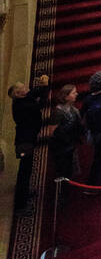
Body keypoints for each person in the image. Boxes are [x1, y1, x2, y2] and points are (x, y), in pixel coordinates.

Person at [9, 74, 49, 211]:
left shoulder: (24, 97)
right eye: (24, 88)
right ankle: (21, 204)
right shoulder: (22, 105)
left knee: (27, 169)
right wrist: (44, 88)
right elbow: (42, 104)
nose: (27, 88)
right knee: (24, 172)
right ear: (18, 94)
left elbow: (34, 92)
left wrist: (44, 85)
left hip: (28, 138)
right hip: (24, 142)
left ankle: (24, 194)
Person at [49, 83, 84, 179]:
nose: (76, 94)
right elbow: (52, 132)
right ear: (66, 96)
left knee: (69, 169)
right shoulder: (58, 112)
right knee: (63, 169)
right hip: (62, 147)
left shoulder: (74, 109)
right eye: (73, 93)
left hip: (70, 144)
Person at [82, 70, 101, 185]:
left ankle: (94, 178)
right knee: (100, 156)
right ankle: (93, 181)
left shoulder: (88, 98)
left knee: (98, 156)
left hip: (94, 131)